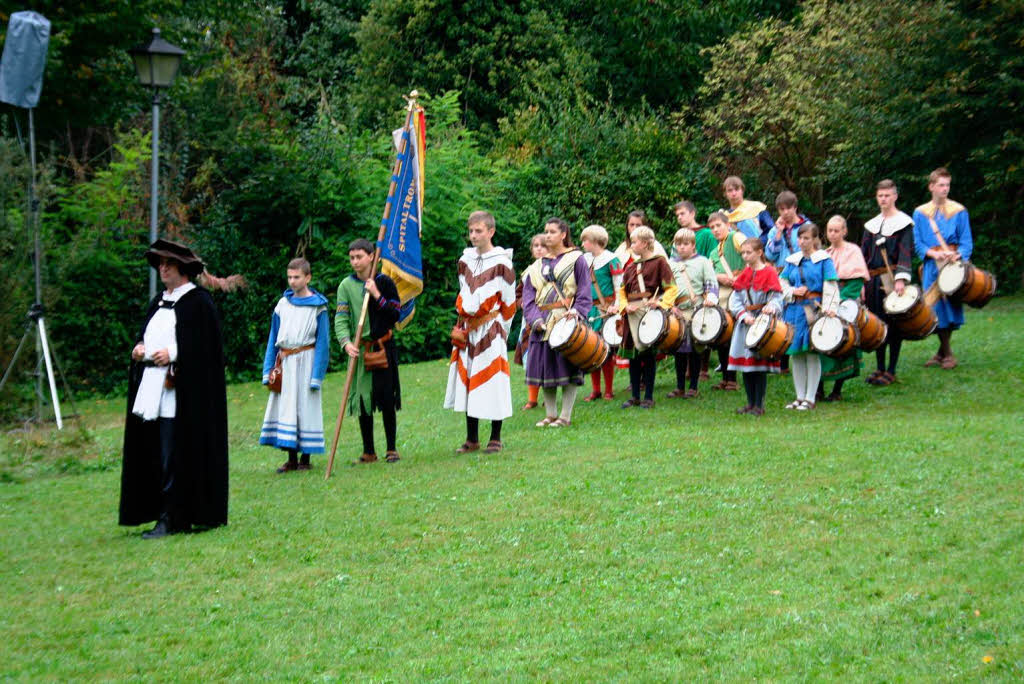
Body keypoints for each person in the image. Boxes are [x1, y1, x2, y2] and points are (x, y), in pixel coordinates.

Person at [119, 239, 228, 539]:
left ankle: (174, 516)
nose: (162, 268)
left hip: (180, 393)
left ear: (182, 268)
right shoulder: (158, 301)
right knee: (154, 451)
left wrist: (174, 352)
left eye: (168, 263)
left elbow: (208, 348)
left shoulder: (198, 302)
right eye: (160, 264)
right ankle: (158, 511)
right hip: (151, 387)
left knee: (173, 453)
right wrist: (140, 348)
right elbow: (148, 333)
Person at [444, 211, 516, 453]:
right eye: (471, 231)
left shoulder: (503, 262)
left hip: (491, 328)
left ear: (491, 232)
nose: (474, 236)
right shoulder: (465, 261)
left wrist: (501, 331)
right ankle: (471, 438)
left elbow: (509, 302)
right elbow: (465, 292)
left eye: (479, 231)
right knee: (468, 378)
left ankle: (495, 437)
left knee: (493, 379)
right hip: (468, 328)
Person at [258, 258, 330, 473]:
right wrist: (268, 369)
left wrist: (316, 375)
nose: (292, 281)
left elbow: (323, 343)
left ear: (308, 277)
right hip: (286, 362)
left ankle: (305, 459)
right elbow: (273, 338)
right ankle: (291, 458)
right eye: (289, 277)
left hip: (307, 359)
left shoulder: (319, 306)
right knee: (287, 408)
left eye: (297, 277)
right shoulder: (282, 304)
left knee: (306, 407)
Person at [335, 238, 402, 463]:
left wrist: (376, 294)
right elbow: (341, 318)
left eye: (359, 257)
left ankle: (391, 448)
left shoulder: (384, 282)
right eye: (352, 257)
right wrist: (346, 342)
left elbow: (395, 314)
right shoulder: (346, 285)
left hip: (383, 347)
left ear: (371, 256)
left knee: (386, 398)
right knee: (363, 400)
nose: (355, 262)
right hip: (360, 350)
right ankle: (368, 450)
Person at [522, 217, 593, 427]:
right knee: (546, 369)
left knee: (568, 368)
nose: (547, 235)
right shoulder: (535, 267)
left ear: (563, 234)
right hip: (542, 323)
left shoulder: (576, 259)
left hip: (566, 320)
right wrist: (535, 320)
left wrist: (577, 312)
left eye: (552, 231)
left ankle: (565, 416)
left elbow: (584, 290)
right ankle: (550, 414)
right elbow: (528, 298)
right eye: (546, 231)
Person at [913, 167, 973, 369]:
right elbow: (919, 243)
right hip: (932, 265)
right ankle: (945, 353)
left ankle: (945, 353)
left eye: (947, 185)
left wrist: (958, 255)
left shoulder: (959, 211)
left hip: (953, 265)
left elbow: (966, 241)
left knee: (951, 307)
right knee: (935, 309)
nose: (945, 189)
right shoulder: (920, 213)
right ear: (931, 186)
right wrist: (933, 254)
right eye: (941, 185)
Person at [611, 225, 678, 408]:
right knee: (633, 357)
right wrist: (624, 306)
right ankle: (634, 396)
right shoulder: (631, 267)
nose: (631, 245)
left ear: (647, 243)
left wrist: (661, 303)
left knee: (647, 356)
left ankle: (648, 396)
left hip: (649, 314)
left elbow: (671, 288)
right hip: (631, 314)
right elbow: (622, 291)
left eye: (634, 242)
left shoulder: (660, 263)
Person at [780, 222, 839, 410]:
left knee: (811, 354)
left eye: (806, 238)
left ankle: (810, 398)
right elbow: (781, 282)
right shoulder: (792, 260)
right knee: (796, 354)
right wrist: (792, 291)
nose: (802, 242)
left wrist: (830, 309)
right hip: (794, 311)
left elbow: (830, 285)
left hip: (813, 311)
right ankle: (799, 396)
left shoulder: (823, 260)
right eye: (800, 238)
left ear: (814, 239)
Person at [861, 179, 914, 385]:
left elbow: (905, 252)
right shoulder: (871, 225)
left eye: (887, 195)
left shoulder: (904, 223)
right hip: (873, 280)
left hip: (892, 280)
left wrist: (901, 279)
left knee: (894, 325)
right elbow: (863, 255)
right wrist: (862, 281)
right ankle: (880, 368)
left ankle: (891, 370)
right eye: (880, 196)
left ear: (895, 196)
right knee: (877, 323)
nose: (883, 199)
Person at [727, 238, 784, 415]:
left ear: (759, 253)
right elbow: (735, 299)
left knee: (759, 367)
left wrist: (771, 307)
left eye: (748, 252)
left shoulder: (769, 273)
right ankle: (750, 403)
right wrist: (743, 315)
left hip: (762, 323)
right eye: (743, 253)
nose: (745, 256)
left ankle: (759, 405)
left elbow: (777, 297)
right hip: (746, 324)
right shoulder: (744, 274)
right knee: (746, 366)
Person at [819, 216, 869, 401]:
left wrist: (838, 301)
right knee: (821, 339)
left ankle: (837, 390)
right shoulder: (825, 254)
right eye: (830, 230)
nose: (832, 234)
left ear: (844, 231)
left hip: (845, 302)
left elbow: (856, 281)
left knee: (844, 341)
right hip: (827, 303)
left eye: (836, 230)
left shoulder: (853, 251)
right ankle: (819, 388)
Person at [667, 228, 718, 399]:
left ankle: (694, 386)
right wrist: (670, 306)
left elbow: (711, 283)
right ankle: (680, 386)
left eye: (686, 244)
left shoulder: (703, 262)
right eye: (679, 244)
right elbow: (666, 288)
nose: (682, 247)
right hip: (677, 312)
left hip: (696, 310)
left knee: (696, 350)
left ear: (693, 245)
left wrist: (710, 299)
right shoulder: (670, 264)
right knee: (679, 351)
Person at [580, 224, 623, 401]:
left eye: (585, 240)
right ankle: (596, 390)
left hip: (606, 309)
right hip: (589, 309)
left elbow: (619, 286)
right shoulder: (583, 260)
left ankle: (609, 390)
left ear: (595, 241)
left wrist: (617, 306)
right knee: (592, 350)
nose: (583, 244)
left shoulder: (611, 259)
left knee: (607, 351)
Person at [708, 211, 746, 391]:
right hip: (722, 295)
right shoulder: (714, 252)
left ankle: (733, 378)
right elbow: (708, 274)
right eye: (712, 227)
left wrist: (739, 278)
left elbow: (749, 256)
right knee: (722, 334)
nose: (715, 230)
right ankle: (725, 376)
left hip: (740, 292)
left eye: (718, 225)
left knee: (733, 335)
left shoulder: (736, 237)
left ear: (727, 225)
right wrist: (718, 276)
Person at [514, 234, 547, 409]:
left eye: (543, 245)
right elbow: (519, 294)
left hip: (549, 318)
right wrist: (522, 303)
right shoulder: (527, 272)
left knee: (548, 359)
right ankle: (532, 399)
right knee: (531, 358)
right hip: (529, 321)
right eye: (536, 245)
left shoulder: (555, 269)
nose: (539, 248)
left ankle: (548, 397)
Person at [765, 190, 811, 269]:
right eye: (782, 209)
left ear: (795, 207)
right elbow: (770, 256)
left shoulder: (807, 227)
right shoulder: (774, 231)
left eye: (789, 208)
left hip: (803, 272)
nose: (785, 212)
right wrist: (779, 233)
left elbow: (814, 251)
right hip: (782, 273)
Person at [722, 176, 775, 241]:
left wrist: (758, 244)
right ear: (725, 194)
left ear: (742, 190)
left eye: (737, 189)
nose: (734, 193)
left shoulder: (756, 207)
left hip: (759, 249)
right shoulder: (724, 217)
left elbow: (771, 231)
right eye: (730, 190)